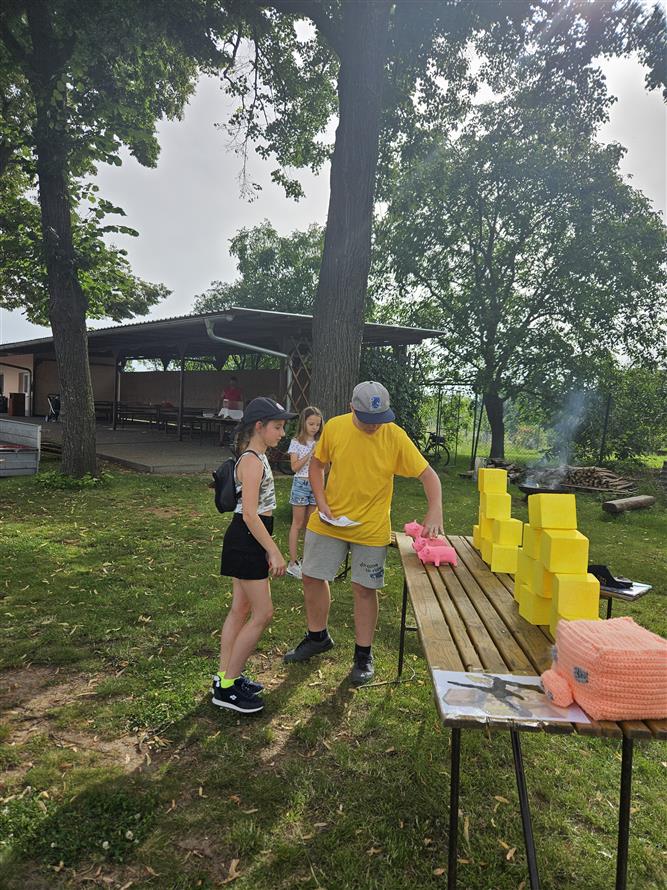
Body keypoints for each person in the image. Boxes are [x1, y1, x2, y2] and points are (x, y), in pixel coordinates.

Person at [284, 381, 444, 684]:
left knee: (364, 589)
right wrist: (322, 503)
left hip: (371, 526)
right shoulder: (335, 427)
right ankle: (317, 637)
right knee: (311, 576)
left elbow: (428, 475)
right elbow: (317, 466)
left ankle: (363, 655)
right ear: (351, 408)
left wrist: (435, 508)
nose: (374, 426)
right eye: (368, 419)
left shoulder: (395, 436)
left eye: (379, 419)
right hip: (330, 520)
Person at [212, 397, 296, 714]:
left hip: (247, 539)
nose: (282, 433)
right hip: (247, 540)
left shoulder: (256, 457)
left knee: (240, 610)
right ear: (259, 426)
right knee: (263, 613)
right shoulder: (251, 461)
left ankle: (225, 678)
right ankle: (228, 688)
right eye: (278, 427)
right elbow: (249, 514)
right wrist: (273, 550)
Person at [286, 406, 324, 579]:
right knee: (298, 523)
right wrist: (310, 453)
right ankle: (293, 563)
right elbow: (294, 467)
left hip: (316, 485)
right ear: (303, 423)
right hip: (301, 483)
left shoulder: (321, 442)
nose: (315, 427)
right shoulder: (296, 442)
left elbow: (325, 468)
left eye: (317, 424)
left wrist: (324, 457)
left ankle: (307, 560)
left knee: (311, 524)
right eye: (311, 424)